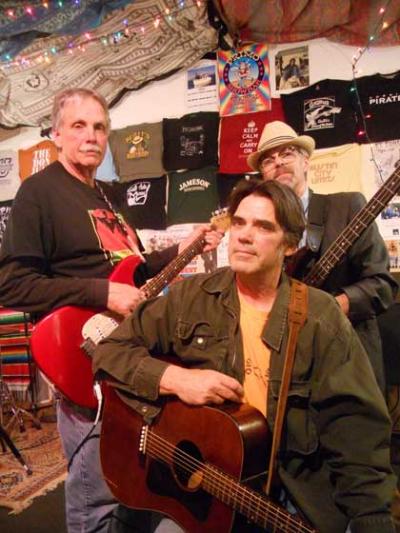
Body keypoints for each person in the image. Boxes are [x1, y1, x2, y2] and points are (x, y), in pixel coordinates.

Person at [93, 179, 396, 533]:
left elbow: (356, 433)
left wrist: (370, 519)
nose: (244, 235)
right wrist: (178, 380)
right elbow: (110, 351)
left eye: (263, 226)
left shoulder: (319, 316)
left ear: (290, 245)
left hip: (288, 497)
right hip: (204, 491)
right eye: (238, 223)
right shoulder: (192, 297)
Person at [0, 88, 223, 533]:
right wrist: (101, 294)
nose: (91, 136)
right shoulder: (38, 193)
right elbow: (11, 283)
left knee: (134, 481)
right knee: (95, 491)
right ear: (57, 134)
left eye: (100, 127)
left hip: (130, 356)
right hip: (86, 360)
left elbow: (131, 270)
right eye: (79, 126)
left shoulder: (107, 195)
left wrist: (183, 248)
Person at [246, 120, 397, 393]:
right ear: (263, 175)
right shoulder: (257, 227)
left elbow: (382, 285)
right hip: (286, 371)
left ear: (305, 162)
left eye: (287, 153)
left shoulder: (347, 206)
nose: (278, 162)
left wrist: (330, 307)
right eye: (268, 160)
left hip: (348, 364)